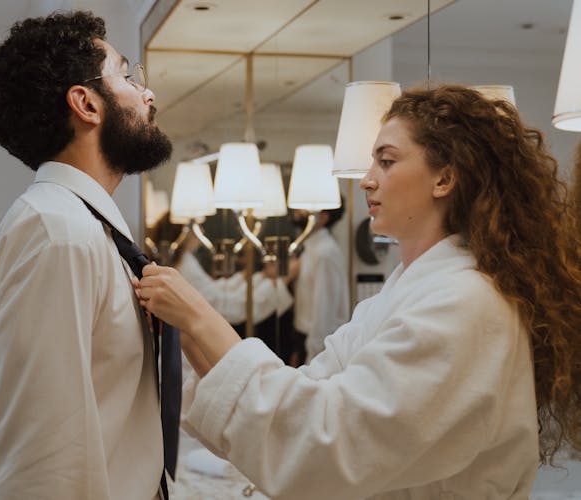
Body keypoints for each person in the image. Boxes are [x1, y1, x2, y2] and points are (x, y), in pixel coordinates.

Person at [137, 84, 581, 499]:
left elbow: (331, 441)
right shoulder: (408, 289)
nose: (366, 180)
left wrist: (199, 317)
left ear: (444, 179)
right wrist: (189, 335)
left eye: (386, 161)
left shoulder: (467, 303)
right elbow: (311, 391)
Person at [0, 11, 173, 500]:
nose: (148, 94)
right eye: (128, 76)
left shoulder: (79, 228)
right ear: (86, 103)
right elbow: (40, 464)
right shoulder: (59, 235)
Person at [151, 213, 296, 327]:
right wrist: (280, 281)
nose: (202, 230)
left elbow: (214, 292)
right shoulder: (185, 265)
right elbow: (225, 305)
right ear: (186, 230)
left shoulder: (185, 261)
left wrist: (256, 277)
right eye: (197, 226)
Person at [290, 200, 349, 365]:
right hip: (302, 340)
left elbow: (324, 313)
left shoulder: (325, 253)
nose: (296, 209)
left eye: (304, 207)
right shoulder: (309, 248)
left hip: (316, 345)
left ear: (322, 218)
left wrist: (312, 360)